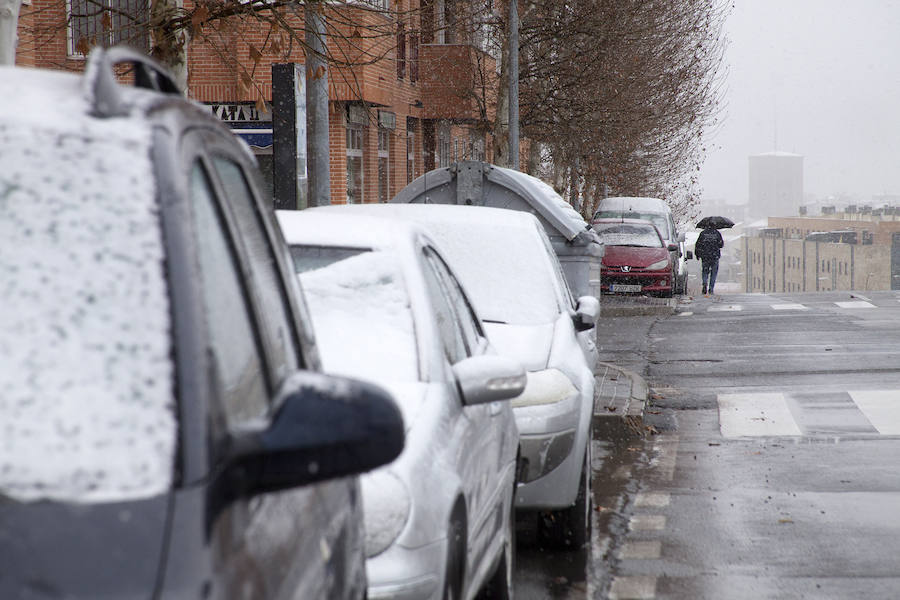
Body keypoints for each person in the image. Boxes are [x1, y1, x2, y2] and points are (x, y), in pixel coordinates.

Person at [695, 226, 724, 296]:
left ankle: (705, 283)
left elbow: (698, 244)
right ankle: (711, 288)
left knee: (705, 271)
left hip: (705, 256)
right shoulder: (717, 233)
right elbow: (721, 245)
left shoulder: (703, 234)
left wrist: (697, 254)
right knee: (714, 273)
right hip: (714, 256)